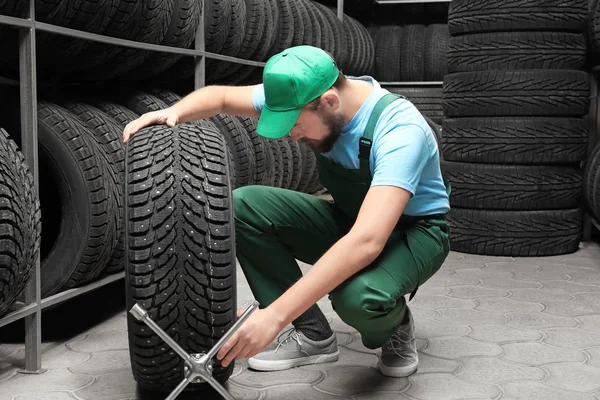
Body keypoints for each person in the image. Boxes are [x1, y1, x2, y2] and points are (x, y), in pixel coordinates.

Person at [123, 45, 451, 378]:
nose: (292, 135)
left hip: (414, 234)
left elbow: (367, 241)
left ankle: (394, 323)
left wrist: (273, 316)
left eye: (295, 124)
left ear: (329, 102)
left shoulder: (400, 131)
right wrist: (173, 113)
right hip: (352, 219)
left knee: (359, 299)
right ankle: (313, 334)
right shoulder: (302, 93)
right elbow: (219, 97)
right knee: (242, 207)